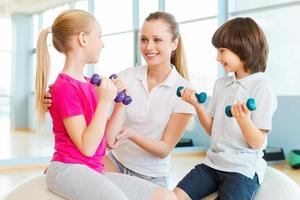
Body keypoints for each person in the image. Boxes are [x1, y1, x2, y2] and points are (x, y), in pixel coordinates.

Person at [36, 9, 176, 200]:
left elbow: (108, 141)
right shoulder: (64, 87)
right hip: (68, 168)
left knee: (165, 196)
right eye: (99, 36)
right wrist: (104, 101)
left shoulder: (88, 84)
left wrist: (119, 102)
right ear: (83, 39)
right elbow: (87, 147)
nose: (102, 43)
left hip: (92, 169)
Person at [174, 17, 277, 200]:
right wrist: (197, 106)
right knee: (174, 196)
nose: (217, 57)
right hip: (212, 164)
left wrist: (243, 120)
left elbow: (258, 143)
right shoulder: (221, 84)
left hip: (241, 170)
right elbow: (213, 131)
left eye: (222, 51)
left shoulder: (262, 86)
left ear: (243, 48)